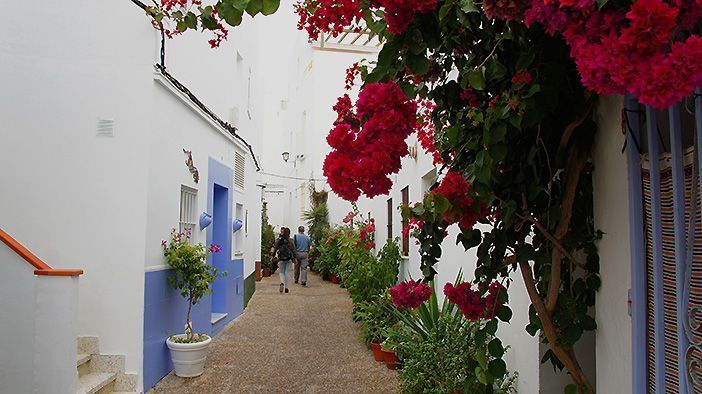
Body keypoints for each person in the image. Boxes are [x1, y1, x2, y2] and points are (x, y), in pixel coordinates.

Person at [272, 227, 297, 293]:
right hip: (289, 259)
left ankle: (282, 282)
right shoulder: (290, 240)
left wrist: (272, 256)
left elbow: (275, 249)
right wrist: (295, 258)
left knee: (281, 272)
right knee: (287, 273)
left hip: (281, 258)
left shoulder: (279, 240)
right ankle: (286, 287)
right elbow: (294, 250)